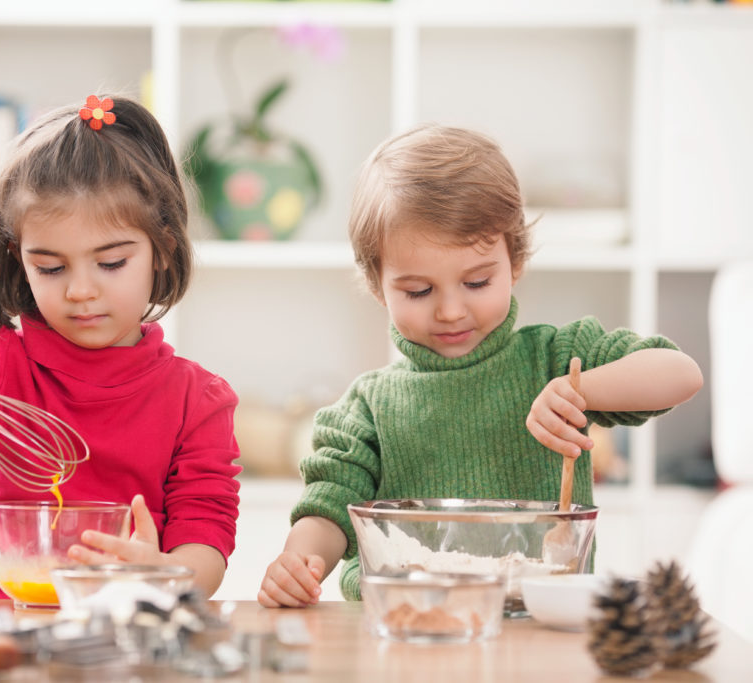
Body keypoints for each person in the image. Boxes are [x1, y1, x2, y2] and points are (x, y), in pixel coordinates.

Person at [257, 124, 703, 607]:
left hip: (535, 626)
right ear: (375, 284)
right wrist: (299, 563)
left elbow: (680, 373)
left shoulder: (556, 358)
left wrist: (584, 390)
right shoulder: (364, 409)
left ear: (515, 261)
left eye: (476, 282)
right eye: (419, 291)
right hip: (405, 628)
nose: (450, 311)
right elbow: (327, 511)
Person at [0, 94, 241, 599]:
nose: (80, 290)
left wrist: (166, 575)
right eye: (51, 268)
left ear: (163, 248)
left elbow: (206, 539)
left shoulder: (198, 401)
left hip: (117, 625)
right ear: (20, 259)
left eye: (110, 263)